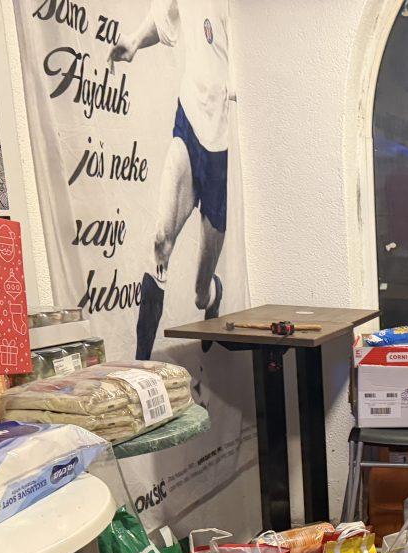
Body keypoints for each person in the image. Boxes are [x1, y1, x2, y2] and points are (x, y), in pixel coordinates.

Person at [111, 0, 230, 359]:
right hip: (189, 119)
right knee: (161, 241)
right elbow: (163, 15)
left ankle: (210, 292)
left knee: (199, 294)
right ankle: (141, 368)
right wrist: (134, 41)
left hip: (222, 143)